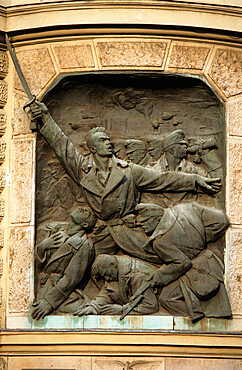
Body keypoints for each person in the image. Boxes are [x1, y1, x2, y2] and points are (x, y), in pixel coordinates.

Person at [29, 101, 221, 263]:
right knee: (76, 259)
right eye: (103, 141)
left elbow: (162, 179)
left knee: (167, 258)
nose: (109, 143)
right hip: (103, 233)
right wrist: (45, 117)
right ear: (93, 149)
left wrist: (195, 180)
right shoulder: (82, 170)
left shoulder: (129, 170)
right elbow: (63, 147)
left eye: (108, 140)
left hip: (130, 230)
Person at [135, 202, 231, 322]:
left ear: (158, 219)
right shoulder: (186, 207)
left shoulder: (159, 241)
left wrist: (158, 277)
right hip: (213, 259)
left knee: (166, 299)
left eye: (144, 221)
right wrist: (200, 239)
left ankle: (200, 316)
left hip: (195, 271)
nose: (141, 225)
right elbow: (222, 221)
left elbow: (182, 263)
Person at [32, 207, 96, 320]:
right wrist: (42, 248)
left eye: (84, 212)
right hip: (42, 287)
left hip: (59, 295)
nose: (80, 209)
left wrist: (49, 302)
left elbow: (71, 279)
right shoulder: (56, 230)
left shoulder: (84, 245)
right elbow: (40, 267)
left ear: (84, 224)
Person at [75, 254, 159, 316]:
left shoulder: (136, 276)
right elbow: (107, 294)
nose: (107, 279)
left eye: (106, 274)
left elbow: (150, 305)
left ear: (112, 265)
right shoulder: (114, 273)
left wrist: (122, 310)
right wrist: (94, 307)